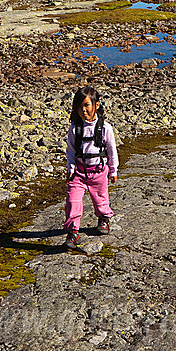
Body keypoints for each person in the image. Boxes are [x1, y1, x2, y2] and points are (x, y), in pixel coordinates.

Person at [63, 86, 118, 250]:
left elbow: (111, 150)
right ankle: (72, 231)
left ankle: (104, 218)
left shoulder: (105, 128)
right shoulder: (75, 128)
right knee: (72, 201)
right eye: (80, 107)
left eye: (87, 105)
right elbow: (71, 150)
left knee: (101, 199)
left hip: (99, 172)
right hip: (78, 173)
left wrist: (113, 170)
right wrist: (70, 168)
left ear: (97, 105)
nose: (83, 110)